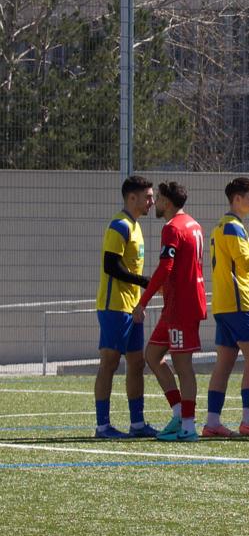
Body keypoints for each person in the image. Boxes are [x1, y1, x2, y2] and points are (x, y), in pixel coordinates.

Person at [203, 177, 249, 437]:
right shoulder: (233, 227)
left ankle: (212, 422)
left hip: (223, 305)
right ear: (237, 198)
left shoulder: (221, 226)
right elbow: (245, 263)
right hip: (239, 304)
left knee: (223, 364)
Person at [132, 181, 208, 442]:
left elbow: (166, 267)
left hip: (181, 307)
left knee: (183, 365)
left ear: (166, 201)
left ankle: (188, 426)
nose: (155, 203)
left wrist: (142, 301)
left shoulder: (172, 228)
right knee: (153, 355)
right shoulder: (193, 224)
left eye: (158, 198)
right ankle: (178, 414)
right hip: (177, 305)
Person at [93, 175, 156, 439]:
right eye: (148, 197)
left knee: (137, 362)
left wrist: (140, 299)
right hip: (114, 306)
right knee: (109, 362)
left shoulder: (135, 225)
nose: (152, 202)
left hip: (131, 307)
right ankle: (103, 426)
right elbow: (111, 266)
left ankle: (137, 423)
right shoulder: (119, 225)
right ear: (133, 197)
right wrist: (145, 282)